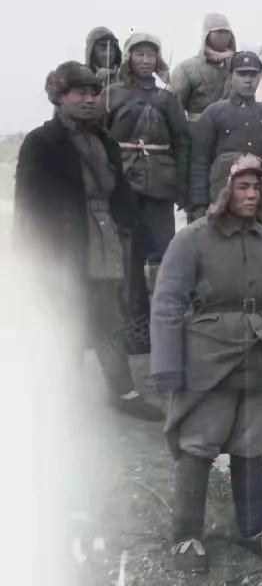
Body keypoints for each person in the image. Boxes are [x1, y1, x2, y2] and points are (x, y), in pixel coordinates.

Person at [150, 154, 262, 572]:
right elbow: (167, 305)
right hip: (208, 360)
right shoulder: (191, 240)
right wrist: (167, 367)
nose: (253, 194)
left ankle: (255, 529)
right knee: (199, 445)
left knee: (251, 444)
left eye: (258, 186)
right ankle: (187, 538)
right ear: (223, 190)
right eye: (243, 186)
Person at [15, 61, 161, 420]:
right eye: (80, 93)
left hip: (106, 237)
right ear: (59, 96)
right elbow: (27, 203)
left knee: (110, 315)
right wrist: (29, 252)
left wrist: (128, 225)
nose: (89, 99)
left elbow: (120, 193)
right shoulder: (41, 142)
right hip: (63, 242)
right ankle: (60, 397)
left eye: (94, 93)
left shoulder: (104, 141)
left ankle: (121, 391)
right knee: (64, 317)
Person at [101, 33, 190, 352]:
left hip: (160, 186)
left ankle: (166, 329)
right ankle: (135, 332)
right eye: (139, 54)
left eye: (151, 54)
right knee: (127, 261)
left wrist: (181, 186)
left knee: (163, 259)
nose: (145, 60)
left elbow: (183, 142)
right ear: (128, 57)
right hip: (122, 186)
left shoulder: (167, 98)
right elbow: (99, 139)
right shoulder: (111, 95)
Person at [188, 51, 262, 222]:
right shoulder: (214, 113)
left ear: (259, 77)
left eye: (253, 75)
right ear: (230, 77)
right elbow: (199, 161)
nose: (248, 80)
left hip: (261, 202)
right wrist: (199, 205)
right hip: (221, 202)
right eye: (242, 74)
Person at [168, 13, 237, 122]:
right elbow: (172, 111)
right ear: (207, 35)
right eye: (219, 32)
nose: (224, 36)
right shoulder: (186, 69)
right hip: (199, 128)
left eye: (227, 32)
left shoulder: (237, 68)